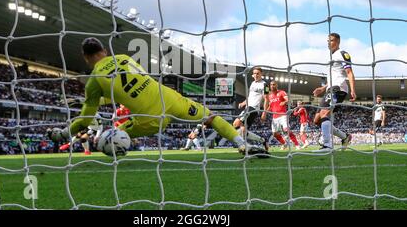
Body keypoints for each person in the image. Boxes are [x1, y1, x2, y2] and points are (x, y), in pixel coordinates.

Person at [49, 37, 267, 156]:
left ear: (85, 58)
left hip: (150, 119)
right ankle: (241, 145)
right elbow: (134, 85)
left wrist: (65, 131)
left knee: (110, 135)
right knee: (212, 118)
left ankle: (110, 145)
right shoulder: (124, 57)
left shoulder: (94, 79)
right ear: (104, 50)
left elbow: (87, 118)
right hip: (171, 99)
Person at [313, 33, 354, 151]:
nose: (329, 43)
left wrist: (353, 90)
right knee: (317, 120)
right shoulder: (331, 57)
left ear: (338, 42)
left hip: (338, 89)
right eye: (328, 41)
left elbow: (349, 72)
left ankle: (327, 145)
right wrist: (322, 88)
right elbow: (334, 76)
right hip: (330, 88)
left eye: (331, 40)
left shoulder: (342, 54)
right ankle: (345, 136)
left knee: (324, 115)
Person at [232, 67, 269, 151]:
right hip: (248, 107)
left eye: (258, 73)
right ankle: (263, 140)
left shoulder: (265, 85)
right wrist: (243, 103)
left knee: (236, 124)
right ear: (252, 75)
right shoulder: (252, 83)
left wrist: (264, 113)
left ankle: (243, 146)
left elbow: (267, 99)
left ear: (261, 74)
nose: (256, 75)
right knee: (243, 130)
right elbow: (250, 97)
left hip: (253, 108)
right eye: (254, 73)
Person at [267, 81, 300, 150]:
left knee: (286, 130)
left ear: (277, 85)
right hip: (274, 117)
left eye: (274, 84)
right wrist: (265, 112)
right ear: (270, 86)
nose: (272, 86)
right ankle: (284, 144)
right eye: (271, 85)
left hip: (282, 115)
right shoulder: (269, 96)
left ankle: (297, 145)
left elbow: (288, 100)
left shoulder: (282, 92)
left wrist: (284, 102)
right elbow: (270, 106)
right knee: (275, 134)